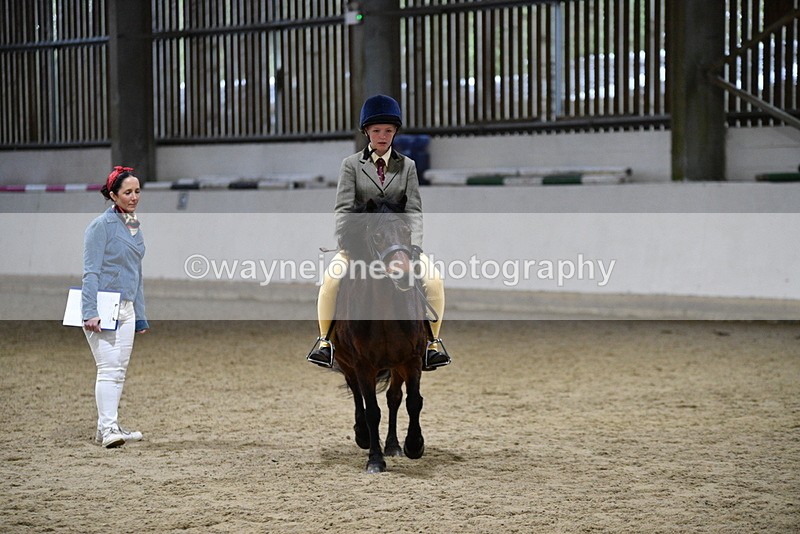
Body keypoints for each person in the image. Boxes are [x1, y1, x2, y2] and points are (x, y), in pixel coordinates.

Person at [307, 94, 451, 371]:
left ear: (395, 131)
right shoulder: (351, 166)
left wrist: (414, 249)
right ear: (366, 133)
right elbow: (343, 209)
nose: (382, 136)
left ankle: (432, 343)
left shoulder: (407, 166)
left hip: (398, 245)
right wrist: (349, 244)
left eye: (388, 130)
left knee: (433, 281)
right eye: (376, 131)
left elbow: (414, 211)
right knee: (331, 281)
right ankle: (325, 342)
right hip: (360, 246)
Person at [82, 165, 149, 448]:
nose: (134, 197)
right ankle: (108, 429)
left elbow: (136, 270)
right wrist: (89, 311)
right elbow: (91, 272)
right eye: (127, 192)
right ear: (113, 195)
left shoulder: (133, 222)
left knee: (119, 369)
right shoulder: (99, 226)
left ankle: (107, 426)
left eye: (136, 191)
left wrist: (141, 315)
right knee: (108, 369)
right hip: (103, 307)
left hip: (127, 307)